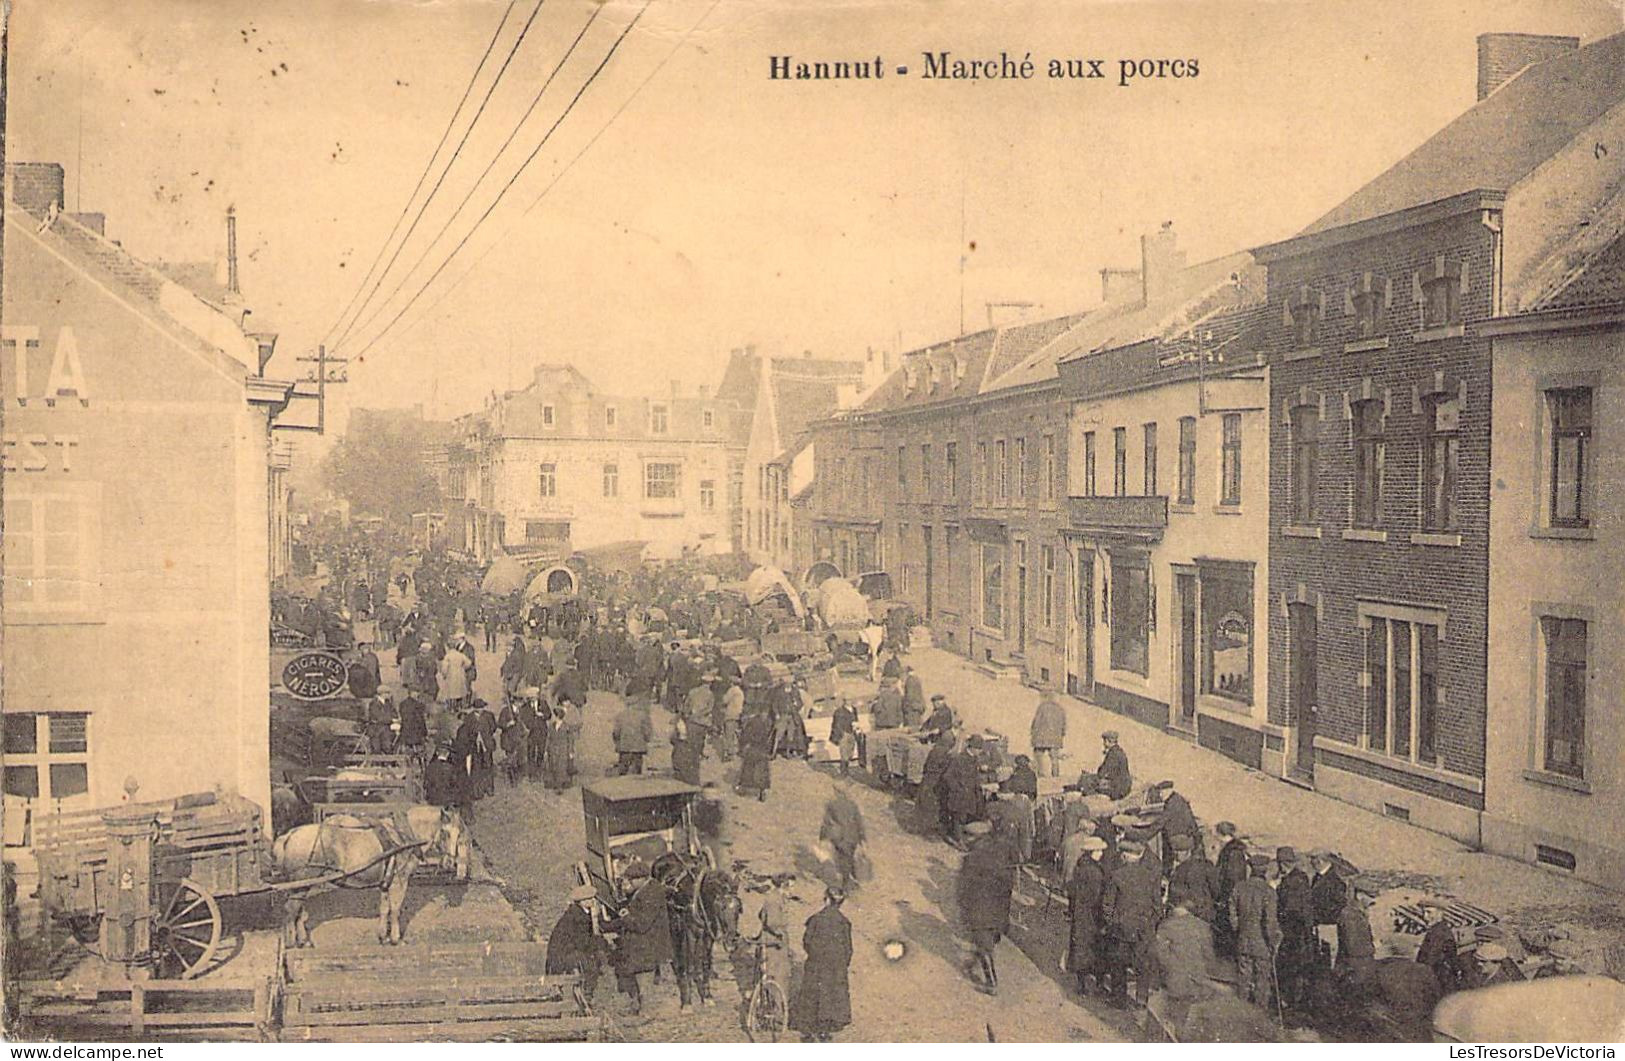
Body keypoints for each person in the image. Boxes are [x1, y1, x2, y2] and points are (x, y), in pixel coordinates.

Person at [603, 863, 672, 1017]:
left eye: (632, 881)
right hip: (641, 942)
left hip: (648, 943)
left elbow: (642, 924)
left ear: (642, 879)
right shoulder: (643, 890)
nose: (629, 884)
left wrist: (625, 916)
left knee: (644, 978)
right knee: (632, 973)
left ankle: (646, 1011)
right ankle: (635, 1006)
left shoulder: (652, 893)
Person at [957, 820, 1016, 995]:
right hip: (998, 908)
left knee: (984, 945)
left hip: (980, 909)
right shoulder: (998, 853)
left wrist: (964, 906)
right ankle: (972, 963)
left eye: (969, 836)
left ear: (976, 838)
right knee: (985, 941)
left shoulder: (972, 858)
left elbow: (964, 887)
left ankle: (991, 983)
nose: (966, 840)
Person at [1102, 838, 1162, 1007]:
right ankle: (1141, 1000)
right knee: (1142, 965)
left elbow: (1108, 904)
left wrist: (1111, 922)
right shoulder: (1150, 876)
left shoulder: (1117, 875)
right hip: (1143, 928)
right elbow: (1157, 905)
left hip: (1121, 928)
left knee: (1118, 964)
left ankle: (1118, 1000)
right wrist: (1150, 923)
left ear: (1126, 856)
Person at [792, 887, 853, 1042]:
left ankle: (810, 1032)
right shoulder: (844, 922)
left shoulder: (816, 919)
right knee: (831, 995)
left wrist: (814, 955)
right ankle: (825, 1030)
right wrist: (842, 964)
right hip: (836, 967)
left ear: (826, 899)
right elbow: (848, 948)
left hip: (817, 965)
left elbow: (807, 942)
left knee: (813, 995)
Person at [1154, 897, 1220, 1028]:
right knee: (1186, 1012)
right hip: (1197, 979)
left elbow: (1159, 955)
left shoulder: (1166, 926)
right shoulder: (1203, 926)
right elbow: (1209, 957)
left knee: (1173, 1011)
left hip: (1174, 979)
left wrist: (1168, 970)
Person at [1229, 852, 1281, 1009]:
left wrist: (1238, 929)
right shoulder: (1268, 892)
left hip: (1243, 940)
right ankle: (1259, 1018)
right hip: (1262, 944)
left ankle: (1241, 1014)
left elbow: (1232, 913)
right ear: (1265, 870)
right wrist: (1273, 942)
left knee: (1243, 980)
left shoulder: (1239, 887)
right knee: (1262, 982)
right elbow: (1269, 922)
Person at [547, 884, 607, 1010]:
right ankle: (586, 997)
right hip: (563, 954)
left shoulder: (582, 912)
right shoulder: (578, 917)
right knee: (591, 966)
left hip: (570, 949)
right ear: (582, 902)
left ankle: (586, 995)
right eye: (590, 899)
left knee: (595, 959)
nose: (594, 902)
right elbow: (583, 941)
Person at [1275, 846, 1315, 1013]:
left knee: (1289, 965)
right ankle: (1295, 1000)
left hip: (1292, 929)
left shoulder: (1290, 881)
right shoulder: (1302, 877)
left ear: (1283, 864)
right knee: (1298, 966)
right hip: (1303, 929)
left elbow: (1290, 907)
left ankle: (1290, 1001)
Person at [1067, 834, 1108, 995]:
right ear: (1092, 852)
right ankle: (1097, 984)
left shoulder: (1080, 866)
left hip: (1080, 913)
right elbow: (1097, 897)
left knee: (1080, 947)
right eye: (1099, 851)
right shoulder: (1095, 873)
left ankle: (1081, 984)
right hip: (1092, 915)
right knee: (1094, 948)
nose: (1101, 853)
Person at [939, 737, 986, 848]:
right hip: (959, 795)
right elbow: (947, 776)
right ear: (973, 748)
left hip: (969, 795)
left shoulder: (974, 759)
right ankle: (959, 841)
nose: (980, 752)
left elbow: (974, 777)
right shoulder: (959, 759)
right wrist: (957, 788)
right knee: (958, 817)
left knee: (964, 817)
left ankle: (957, 836)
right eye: (979, 749)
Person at [819, 783, 867, 891]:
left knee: (842, 859)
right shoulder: (853, 805)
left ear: (837, 792)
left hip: (839, 838)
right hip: (852, 837)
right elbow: (859, 822)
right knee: (848, 857)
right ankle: (852, 878)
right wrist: (863, 839)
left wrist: (822, 837)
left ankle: (846, 882)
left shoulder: (831, 805)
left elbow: (826, 822)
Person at [1166, 833, 1221, 925]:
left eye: (1179, 851)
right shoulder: (1207, 865)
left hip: (1187, 913)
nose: (1176, 855)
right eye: (1175, 852)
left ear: (1188, 851)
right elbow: (1216, 890)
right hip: (1204, 913)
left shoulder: (1180, 870)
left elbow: (1174, 894)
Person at [1212, 822, 1249, 958]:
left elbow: (1232, 878)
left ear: (1222, 835)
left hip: (1230, 898)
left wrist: (1223, 899)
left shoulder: (1232, 852)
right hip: (1230, 897)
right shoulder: (1231, 850)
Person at [1309, 849, 1348, 970]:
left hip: (1329, 927)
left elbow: (1340, 905)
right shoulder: (1318, 877)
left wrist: (1321, 915)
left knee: (1329, 961)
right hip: (1320, 926)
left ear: (1320, 861)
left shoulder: (1335, 881)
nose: (1311, 863)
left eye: (1313, 860)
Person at [916, 731, 955, 837]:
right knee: (933, 805)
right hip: (935, 781)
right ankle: (931, 831)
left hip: (927, 779)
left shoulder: (935, 749)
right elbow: (945, 768)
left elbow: (926, 766)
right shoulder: (944, 752)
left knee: (926, 803)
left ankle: (925, 827)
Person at [738, 704, 776, 801]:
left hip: (757, 748)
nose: (765, 715)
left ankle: (751, 789)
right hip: (755, 747)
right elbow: (748, 735)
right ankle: (756, 789)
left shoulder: (763, 722)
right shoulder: (757, 722)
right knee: (757, 769)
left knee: (751, 768)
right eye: (765, 714)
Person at [1083, 731, 1132, 801]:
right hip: (1123, 786)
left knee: (1088, 781)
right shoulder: (1119, 751)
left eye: (1104, 741)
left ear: (1108, 741)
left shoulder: (1113, 754)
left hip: (1118, 789)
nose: (1103, 743)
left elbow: (1103, 772)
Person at [611, 699, 653, 776]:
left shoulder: (620, 715)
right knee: (636, 773)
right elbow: (647, 733)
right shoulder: (643, 716)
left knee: (623, 771)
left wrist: (617, 743)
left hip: (624, 748)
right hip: (638, 749)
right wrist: (646, 740)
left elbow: (616, 732)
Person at [1030, 695, 1067, 780]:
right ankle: (1055, 774)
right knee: (1054, 758)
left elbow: (1036, 722)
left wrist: (1033, 734)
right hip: (1055, 738)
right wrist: (1061, 735)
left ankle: (1040, 774)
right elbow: (1064, 726)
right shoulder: (1060, 709)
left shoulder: (1042, 707)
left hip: (1041, 737)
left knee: (1038, 755)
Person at [828, 697, 858, 776]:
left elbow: (856, 720)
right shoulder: (839, 711)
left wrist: (856, 727)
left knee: (850, 752)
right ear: (844, 701)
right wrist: (841, 734)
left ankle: (846, 768)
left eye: (851, 700)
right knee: (844, 753)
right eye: (848, 700)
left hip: (852, 733)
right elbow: (836, 724)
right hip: (844, 734)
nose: (849, 701)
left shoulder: (854, 709)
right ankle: (844, 771)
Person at [397, 692, 428, 759]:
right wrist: (425, 733)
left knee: (409, 751)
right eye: (415, 692)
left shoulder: (403, 704)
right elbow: (421, 720)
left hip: (406, 732)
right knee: (418, 751)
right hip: (415, 732)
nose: (416, 694)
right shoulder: (418, 705)